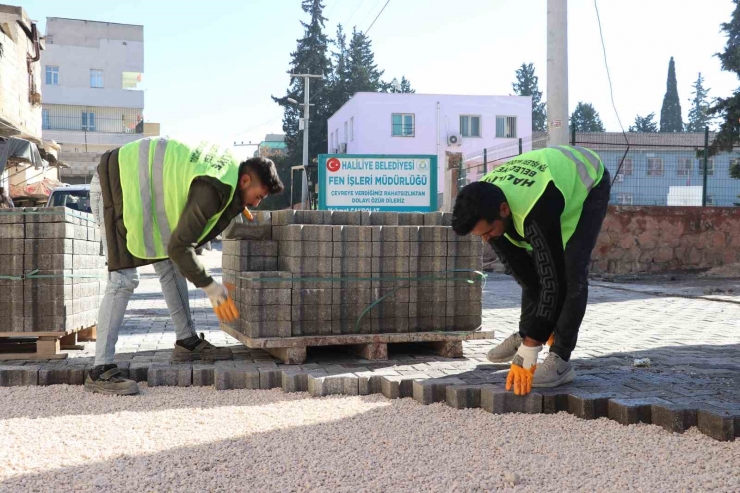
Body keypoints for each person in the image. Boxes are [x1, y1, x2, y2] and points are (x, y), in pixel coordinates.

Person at [86, 137, 284, 395]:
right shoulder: (214, 188)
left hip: (138, 188)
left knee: (169, 265)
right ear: (245, 181)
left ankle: (187, 342)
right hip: (115, 186)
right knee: (122, 280)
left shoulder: (231, 176)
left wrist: (239, 205)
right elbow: (181, 247)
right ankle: (100, 369)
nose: (257, 203)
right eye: (258, 196)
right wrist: (212, 288)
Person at [452, 145, 610, 396]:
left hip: (589, 181)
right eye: (480, 235)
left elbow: (553, 282)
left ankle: (561, 359)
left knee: (570, 272)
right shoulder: (484, 202)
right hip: (546, 183)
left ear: (503, 210)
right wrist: (536, 330)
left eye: (488, 232)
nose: (486, 240)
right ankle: (527, 331)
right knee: (534, 271)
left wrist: (531, 348)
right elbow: (528, 277)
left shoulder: (536, 208)